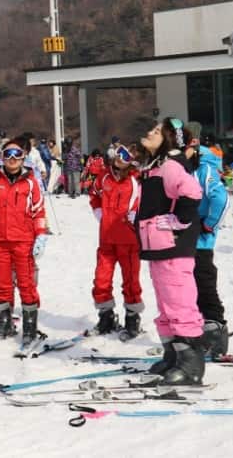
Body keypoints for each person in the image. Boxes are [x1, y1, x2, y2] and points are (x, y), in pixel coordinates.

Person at [136, 117, 206, 385]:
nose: (149, 132)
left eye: (156, 131)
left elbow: (192, 192)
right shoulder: (153, 168)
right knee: (167, 305)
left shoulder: (170, 167)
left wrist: (181, 221)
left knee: (179, 302)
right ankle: (173, 355)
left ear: (167, 140)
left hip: (174, 246)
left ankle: (191, 364)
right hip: (158, 247)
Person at [0, 138, 48, 343]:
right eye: (8, 155)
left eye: (17, 155)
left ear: (23, 158)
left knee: (26, 283)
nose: (12, 159)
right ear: (2, 158)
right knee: (2, 283)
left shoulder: (31, 182)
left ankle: (30, 324)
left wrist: (40, 234)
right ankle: (4, 321)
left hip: (24, 240)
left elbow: (38, 210)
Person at [87, 143, 144, 338]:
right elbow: (94, 193)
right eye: (120, 152)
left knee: (131, 281)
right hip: (107, 239)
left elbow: (145, 202)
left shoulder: (137, 180)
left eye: (126, 157)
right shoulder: (104, 175)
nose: (120, 158)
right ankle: (106, 316)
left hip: (128, 240)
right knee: (101, 280)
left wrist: (138, 215)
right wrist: (97, 210)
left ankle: (132, 318)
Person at [186, 139, 230, 356]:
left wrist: (208, 224)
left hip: (200, 240)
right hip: (183, 238)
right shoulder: (185, 166)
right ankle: (197, 329)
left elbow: (221, 199)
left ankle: (215, 330)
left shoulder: (204, 167)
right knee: (187, 285)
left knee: (204, 281)